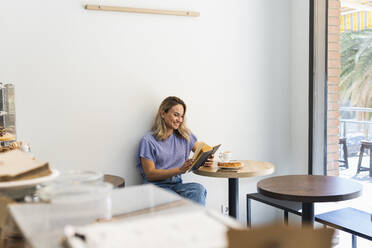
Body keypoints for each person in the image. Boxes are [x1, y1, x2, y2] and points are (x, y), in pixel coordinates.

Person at [136, 96, 213, 205]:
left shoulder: (185, 136)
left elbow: (203, 151)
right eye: (176, 115)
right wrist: (179, 170)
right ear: (163, 114)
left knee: (198, 190)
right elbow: (150, 174)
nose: (180, 120)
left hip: (176, 185)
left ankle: (194, 221)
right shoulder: (148, 141)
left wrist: (208, 158)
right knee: (173, 200)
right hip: (154, 187)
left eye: (182, 116)